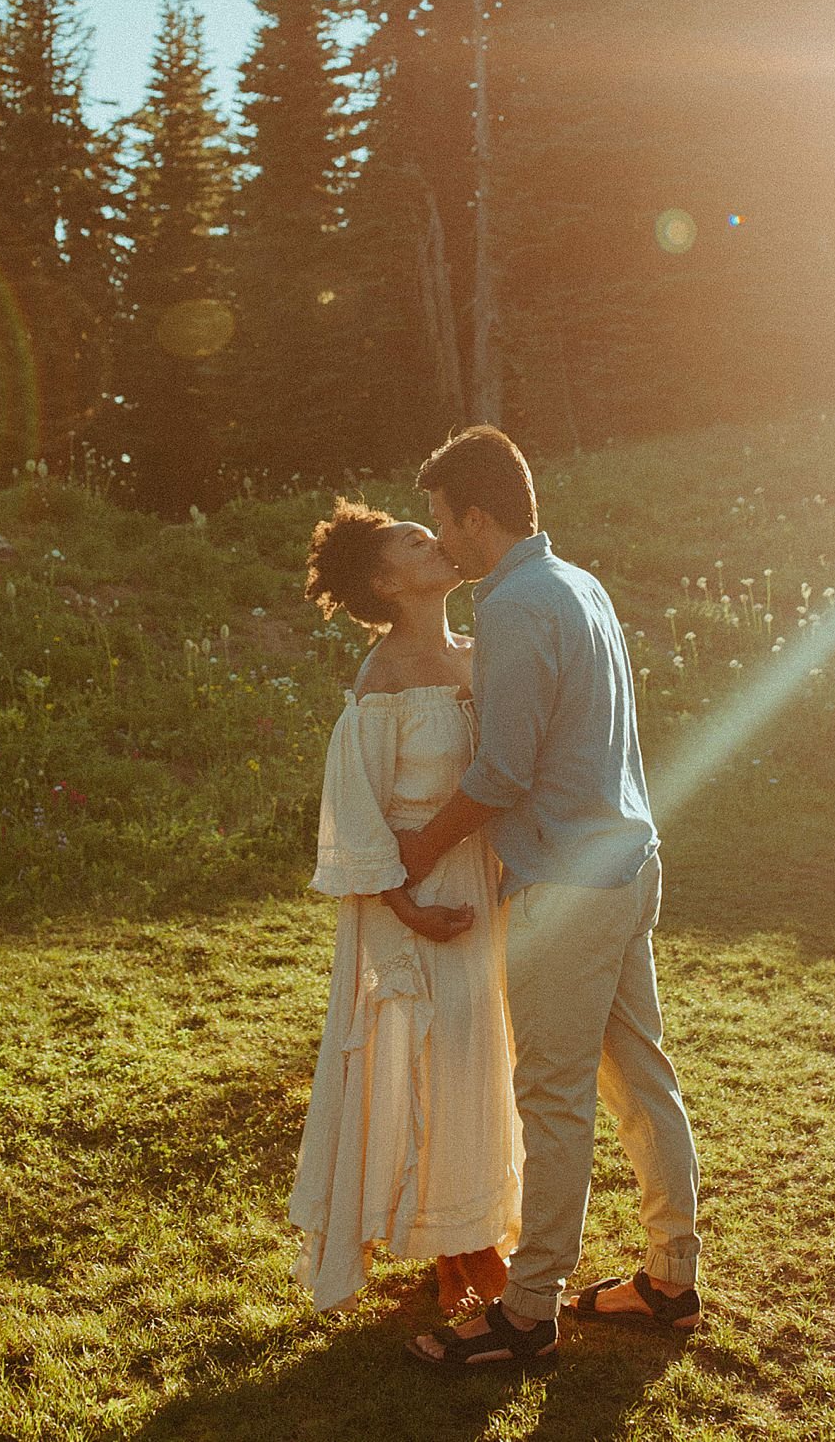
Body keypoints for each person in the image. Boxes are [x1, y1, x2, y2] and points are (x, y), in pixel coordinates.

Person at [399, 427, 701, 1372]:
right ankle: (668, 1279)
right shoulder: (579, 582)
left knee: (557, 1098)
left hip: (568, 883)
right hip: (625, 860)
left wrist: (415, 849)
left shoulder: (516, 607)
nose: (440, 541)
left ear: (477, 515)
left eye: (445, 521)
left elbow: (501, 772)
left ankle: (527, 1313)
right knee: (641, 1077)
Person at [288, 498, 522, 1317]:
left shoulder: (478, 650)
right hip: (412, 896)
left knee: (480, 1056)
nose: (442, 544)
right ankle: (463, 1247)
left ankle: (464, 1237)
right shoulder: (380, 677)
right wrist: (408, 907)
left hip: (482, 887)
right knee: (433, 1051)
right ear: (388, 582)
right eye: (420, 542)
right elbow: (359, 810)